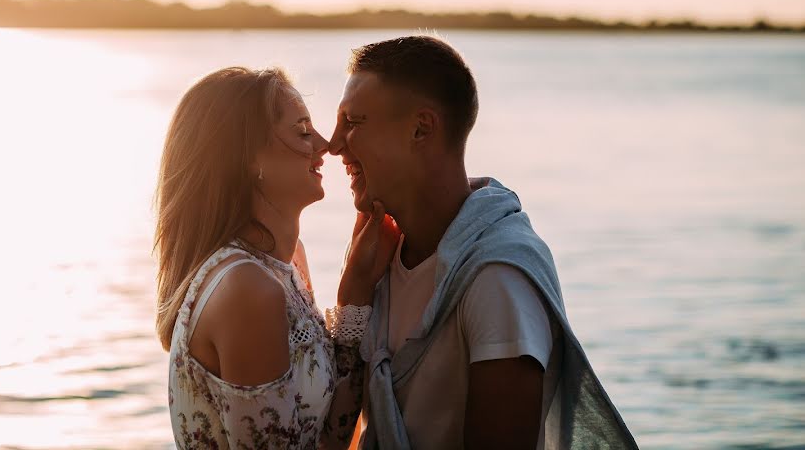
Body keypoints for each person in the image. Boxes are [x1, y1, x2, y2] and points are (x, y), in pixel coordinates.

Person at [328, 35, 637, 449]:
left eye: (353, 122)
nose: (333, 144)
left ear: (421, 129)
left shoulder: (496, 280)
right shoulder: (380, 259)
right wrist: (355, 296)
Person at [153, 67, 399, 449]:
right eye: (303, 132)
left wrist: (355, 297)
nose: (326, 145)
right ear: (248, 159)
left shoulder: (286, 264)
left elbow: (330, 439)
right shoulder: (247, 289)